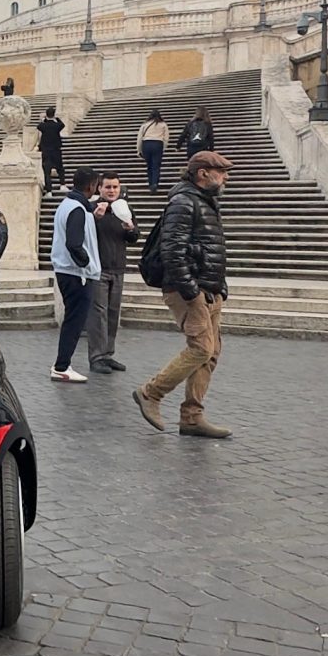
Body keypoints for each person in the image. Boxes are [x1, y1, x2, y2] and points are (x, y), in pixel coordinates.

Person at [133, 150, 234, 439]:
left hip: (210, 288)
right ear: (203, 173)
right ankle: (150, 393)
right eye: (221, 172)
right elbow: (173, 251)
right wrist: (191, 292)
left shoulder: (205, 201)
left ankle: (192, 417)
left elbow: (210, 248)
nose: (225, 178)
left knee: (211, 354)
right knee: (200, 348)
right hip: (189, 291)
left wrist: (219, 287)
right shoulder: (183, 202)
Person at [49, 167, 101, 382]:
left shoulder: (68, 205)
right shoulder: (77, 209)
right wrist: (85, 262)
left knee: (73, 318)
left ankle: (62, 364)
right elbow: (74, 243)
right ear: (91, 186)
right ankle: (62, 366)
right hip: (76, 273)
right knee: (74, 320)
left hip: (67, 270)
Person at [87, 173, 138, 374]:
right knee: (98, 313)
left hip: (118, 267)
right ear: (99, 188)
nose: (112, 191)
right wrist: (95, 218)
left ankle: (108, 354)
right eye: (108, 187)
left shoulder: (124, 208)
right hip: (98, 269)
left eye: (115, 187)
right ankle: (96, 357)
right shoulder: (91, 208)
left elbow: (134, 237)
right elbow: (82, 233)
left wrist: (130, 228)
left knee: (113, 313)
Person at [138, 109, 172, 193]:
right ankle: (155, 183)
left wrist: (139, 150)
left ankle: (150, 183)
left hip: (146, 144)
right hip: (158, 144)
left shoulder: (145, 124)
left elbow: (139, 138)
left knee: (149, 165)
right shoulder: (163, 124)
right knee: (156, 166)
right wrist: (163, 148)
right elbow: (166, 138)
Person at [36, 107, 65, 191]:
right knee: (60, 168)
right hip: (56, 150)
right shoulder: (57, 125)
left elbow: (39, 126)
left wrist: (44, 120)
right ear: (54, 114)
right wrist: (57, 118)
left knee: (47, 171)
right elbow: (62, 124)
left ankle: (49, 190)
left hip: (46, 151)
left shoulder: (43, 126)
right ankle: (62, 185)